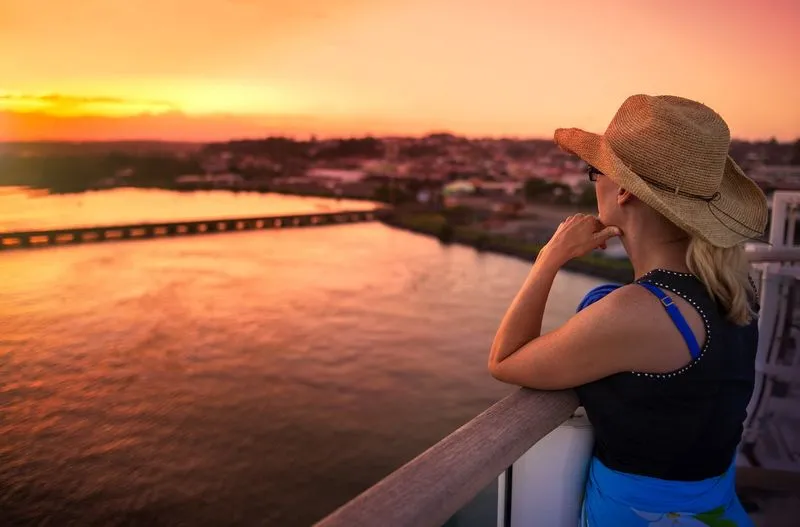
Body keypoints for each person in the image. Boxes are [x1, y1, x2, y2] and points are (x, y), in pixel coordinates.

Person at [488, 94, 768, 526]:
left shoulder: (640, 311)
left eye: (592, 172)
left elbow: (505, 361)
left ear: (623, 191)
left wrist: (549, 257)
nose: (591, 182)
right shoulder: (732, 290)